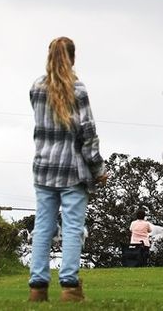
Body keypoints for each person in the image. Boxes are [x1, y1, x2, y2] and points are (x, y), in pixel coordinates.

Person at [28, 37, 107, 303]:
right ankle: (70, 288)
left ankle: (37, 288)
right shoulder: (78, 90)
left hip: (43, 168)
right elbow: (87, 134)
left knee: (42, 227)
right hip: (72, 171)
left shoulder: (36, 88)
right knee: (73, 228)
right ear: (73, 58)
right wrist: (98, 169)